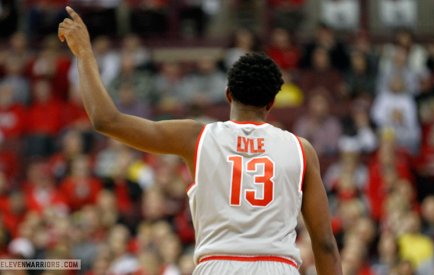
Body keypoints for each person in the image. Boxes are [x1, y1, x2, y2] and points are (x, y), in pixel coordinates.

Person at [58, 7, 342, 275]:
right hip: (277, 267)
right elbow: (325, 243)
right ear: (271, 102)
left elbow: (106, 120)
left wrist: (84, 53)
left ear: (228, 94)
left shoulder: (198, 137)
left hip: (216, 265)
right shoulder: (301, 149)